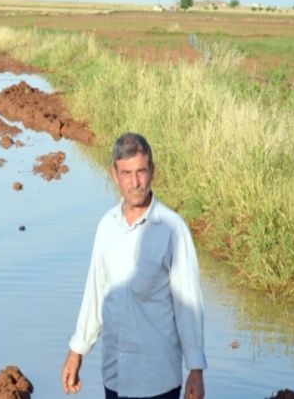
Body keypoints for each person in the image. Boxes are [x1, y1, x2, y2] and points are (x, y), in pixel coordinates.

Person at [61, 133, 206, 399]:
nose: (135, 182)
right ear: (114, 175)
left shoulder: (172, 229)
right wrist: (77, 351)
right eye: (126, 173)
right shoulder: (107, 226)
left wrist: (195, 369)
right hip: (115, 377)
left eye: (141, 171)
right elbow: (95, 293)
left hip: (158, 381)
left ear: (152, 171)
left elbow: (189, 305)